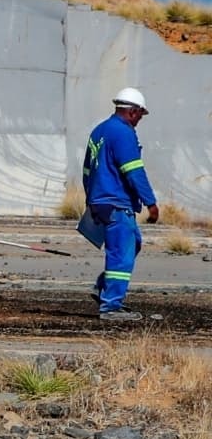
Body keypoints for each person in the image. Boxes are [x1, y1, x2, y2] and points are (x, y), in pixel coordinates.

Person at [81, 87, 161, 322]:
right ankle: (111, 306)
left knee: (132, 244)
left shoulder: (99, 131)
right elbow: (133, 170)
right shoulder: (123, 133)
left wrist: (91, 199)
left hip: (102, 202)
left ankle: (102, 288)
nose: (139, 121)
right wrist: (151, 203)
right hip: (117, 203)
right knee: (121, 254)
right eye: (140, 115)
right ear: (133, 112)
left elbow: (87, 170)